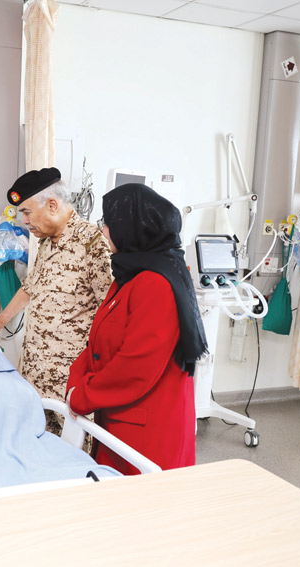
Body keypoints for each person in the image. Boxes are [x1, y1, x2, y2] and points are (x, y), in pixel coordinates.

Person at [65, 184, 207, 474]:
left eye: (108, 223)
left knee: (139, 500)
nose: (104, 231)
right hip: (120, 417)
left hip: (148, 431)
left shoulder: (156, 284)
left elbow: (136, 366)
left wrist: (82, 395)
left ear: (131, 228)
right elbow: (98, 343)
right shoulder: (129, 275)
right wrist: (76, 380)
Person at [0, 167, 112, 432]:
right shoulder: (46, 243)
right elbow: (30, 287)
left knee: (73, 447)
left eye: (27, 212)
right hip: (35, 371)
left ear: (52, 205)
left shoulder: (93, 243)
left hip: (69, 380)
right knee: (36, 439)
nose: (25, 220)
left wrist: (98, 373)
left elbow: (109, 310)